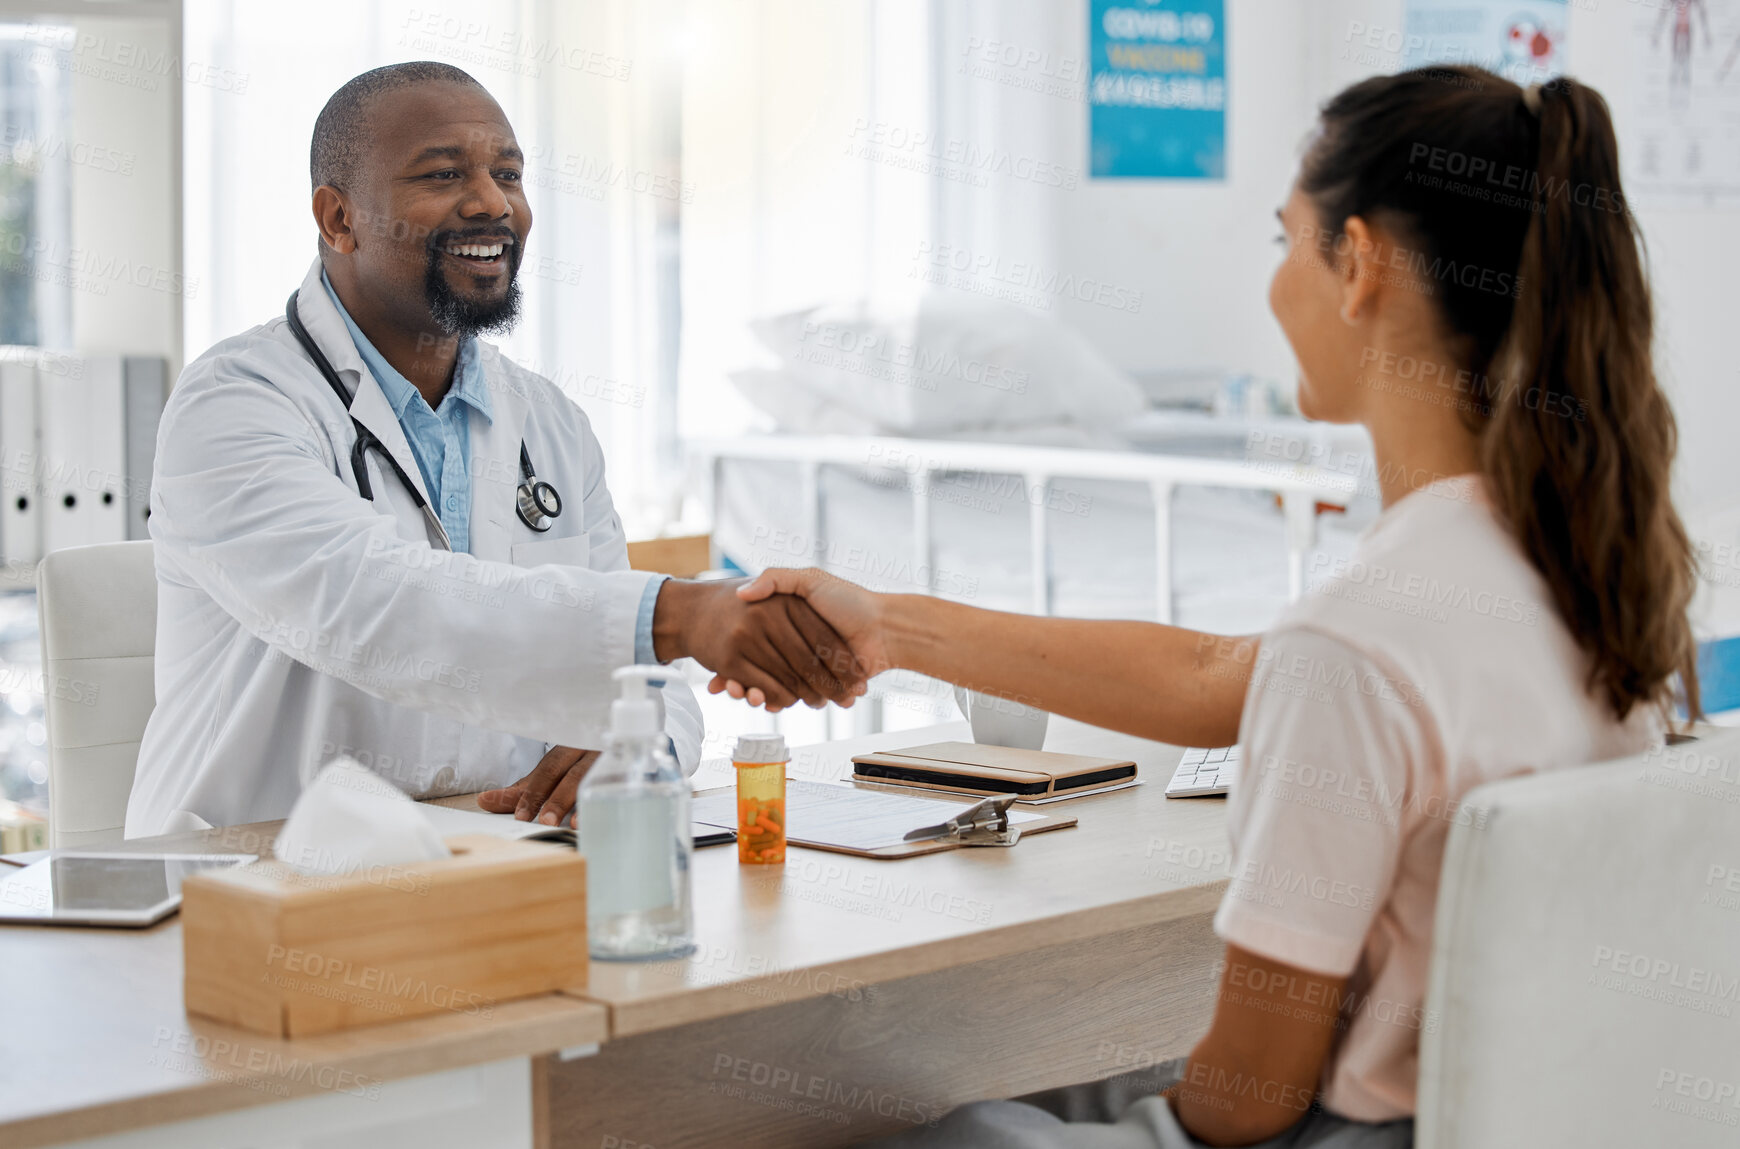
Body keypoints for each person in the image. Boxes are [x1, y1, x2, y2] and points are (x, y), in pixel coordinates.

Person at [731, 67, 1699, 1148]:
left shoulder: (1360, 635)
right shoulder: (1572, 573)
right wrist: (894, 626)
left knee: (926, 1128)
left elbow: (1246, 1101)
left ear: (1360, 263)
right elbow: (1220, 675)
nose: (1277, 284)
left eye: (1286, 241)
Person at [127, 62, 864, 839]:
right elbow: (376, 605)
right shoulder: (235, 403)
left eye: (508, 173)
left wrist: (637, 741)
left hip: (490, 864)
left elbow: (652, 686)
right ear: (338, 217)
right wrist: (677, 614)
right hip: (252, 886)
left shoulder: (548, 421)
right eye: (444, 174)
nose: (492, 202)